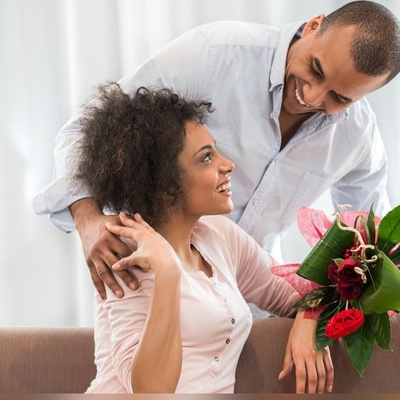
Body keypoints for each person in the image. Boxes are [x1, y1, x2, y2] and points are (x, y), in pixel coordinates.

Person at [33, 1, 400, 301]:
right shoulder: (215, 54)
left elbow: (375, 243)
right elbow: (86, 130)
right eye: (315, 69)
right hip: (151, 285)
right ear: (313, 25)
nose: (312, 96)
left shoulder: (358, 136)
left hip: (255, 305)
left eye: (339, 97)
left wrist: (314, 314)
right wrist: (88, 220)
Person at [72, 83, 333, 393]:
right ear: (163, 185)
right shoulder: (122, 254)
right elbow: (150, 392)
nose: (228, 165)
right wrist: (167, 272)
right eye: (206, 158)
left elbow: (303, 291)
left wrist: (308, 321)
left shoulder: (220, 235)